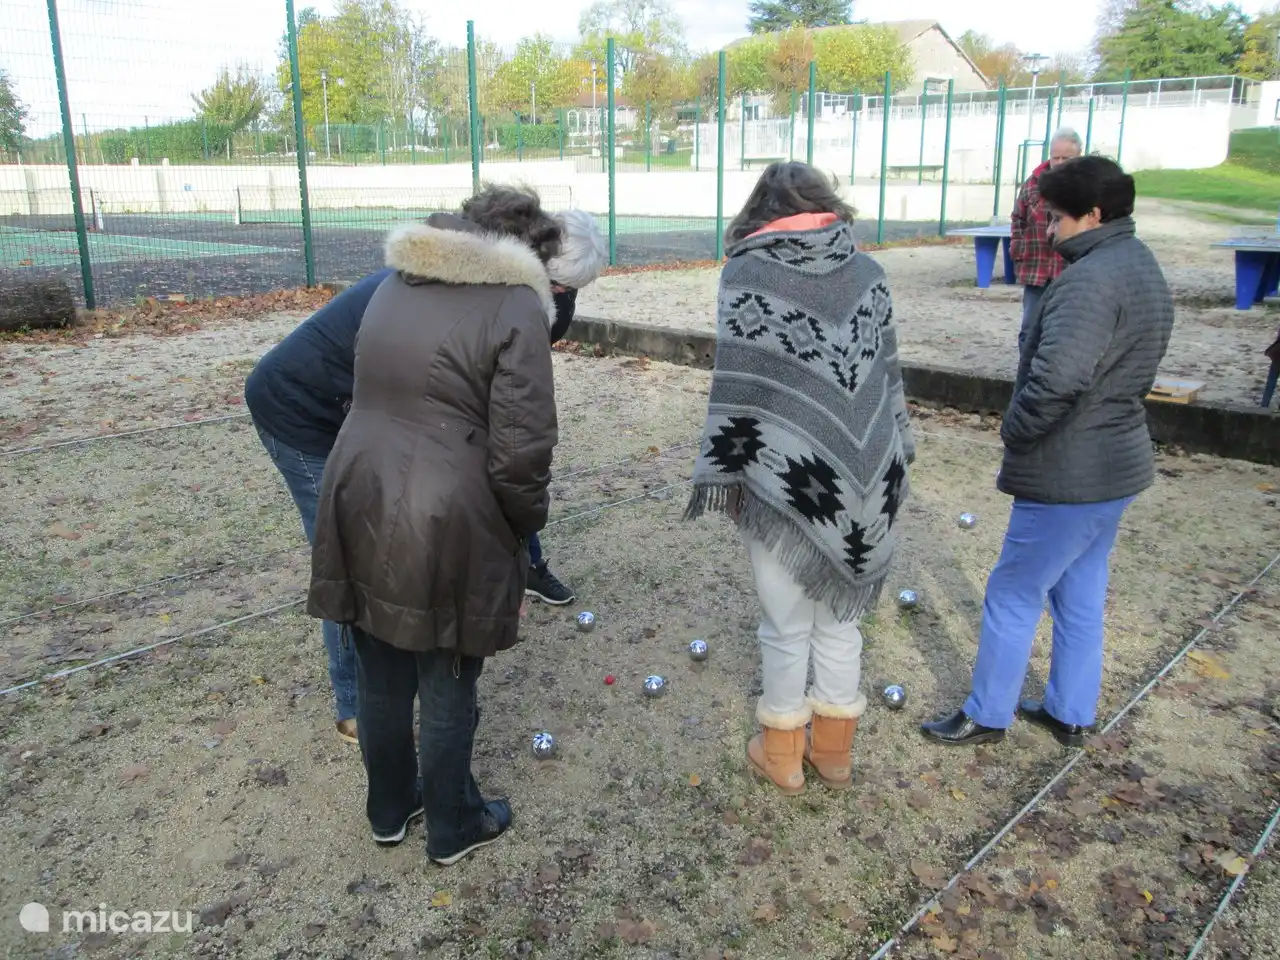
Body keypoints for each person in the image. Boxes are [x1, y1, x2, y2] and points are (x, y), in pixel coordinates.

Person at [244, 210, 603, 744]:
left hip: (377, 417)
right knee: (351, 556)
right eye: (555, 285)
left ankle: (527, 566)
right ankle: (356, 705)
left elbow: (502, 420)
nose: (559, 298)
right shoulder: (426, 289)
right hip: (305, 409)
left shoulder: (522, 298)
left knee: (495, 472)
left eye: (570, 291)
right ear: (527, 260)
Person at [306, 185, 561, 863]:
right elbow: (524, 449)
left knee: (382, 669)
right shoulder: (514, 306)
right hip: (446, 510)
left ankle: (390, 806)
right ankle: (453, 823)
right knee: (448, 675)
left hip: (359, 488)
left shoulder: (396, 283)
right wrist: (523, 528)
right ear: (523, 252)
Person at [921, 156, 1174, 749]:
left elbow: (1058, 380)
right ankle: (1069, 710)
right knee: (1080, 588)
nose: (1050, 230)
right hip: (1115, 468)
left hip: (1071, 472)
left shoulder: (1088, 284)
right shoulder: (1139, 264)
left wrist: (1016, 430)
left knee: (1014, 590)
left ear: (1093, 214)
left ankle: (987, 715)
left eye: (1058, 218)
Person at [685, 162, 915, 795]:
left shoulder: (746, 273)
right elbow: (887, 377)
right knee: (842, 618)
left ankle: (783, 752)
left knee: (785, 623)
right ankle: (834, 753)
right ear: (827, 204)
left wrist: (733, 471)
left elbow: (737, 387)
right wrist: (896, 445)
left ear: (761, 208)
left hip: (782, 473)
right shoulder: (869, 273)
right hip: (866, 472)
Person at [1010, 128, 1083, 329]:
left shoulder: (1087, 186)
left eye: (1065, 158)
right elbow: (1018, 218)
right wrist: (1018, 248)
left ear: (1078, 157)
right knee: (1030, 328)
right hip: (1037, 268)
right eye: (1055, 157)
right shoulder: (1033, 183)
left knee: (1064, 328)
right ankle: (1027, 361)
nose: (1059, 163)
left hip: (1071, 270)